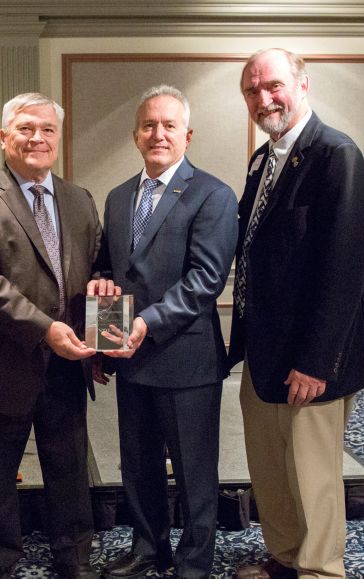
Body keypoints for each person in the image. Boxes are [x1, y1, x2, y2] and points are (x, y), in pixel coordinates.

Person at [229, 49, 364, 579]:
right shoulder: (263, 159)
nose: (263, 98)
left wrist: (316, 361)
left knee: (312, 475)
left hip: (311, 361)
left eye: (273, 85)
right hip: (263, 350)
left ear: (303, 85)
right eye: (251, 90)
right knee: (270, 469)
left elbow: (345, 269)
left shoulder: (336, 155)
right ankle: (285, 557)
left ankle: (319, 570)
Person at [0, 93, 101, 579]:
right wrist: (45, 330)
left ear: (58, 138)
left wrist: (99, 312)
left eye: (47, 129)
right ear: (3, 137)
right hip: (0, 366)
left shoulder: (79, 199)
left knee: (70, 470)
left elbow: (94, 270)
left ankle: (73, 557)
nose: (37, 138)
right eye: (25, 128)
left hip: (66, 365)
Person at [89, 85, 238, 579]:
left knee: (195, 472)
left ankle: (194, 563)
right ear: (136, 135)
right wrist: (106, 346)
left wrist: (144, 323)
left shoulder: (212, 195)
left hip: (186, 359)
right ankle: (149, 548)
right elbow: (109, 273)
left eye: (169, 125)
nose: (159, 134)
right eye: (149, 125)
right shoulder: (116, 198)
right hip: (131, 358)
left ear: (187, 135)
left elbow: (205, 280)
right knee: (138, 466)